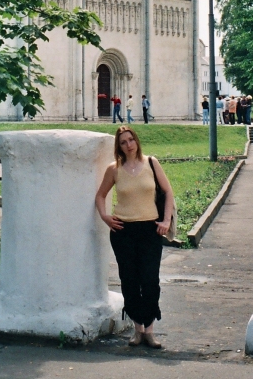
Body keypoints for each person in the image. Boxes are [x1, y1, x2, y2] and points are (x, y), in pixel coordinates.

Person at [95, 126, 174, 348]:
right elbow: (100, 195)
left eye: (131, 139)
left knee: (150, 280)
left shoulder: (151, 163)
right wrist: (105, 217)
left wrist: (166, 221)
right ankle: (138, 330)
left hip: (150, 230)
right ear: (118, 146)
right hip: (123, 232)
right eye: (123, 142)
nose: (129, 144)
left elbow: (167, 191)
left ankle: (150, 330)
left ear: (136, 141)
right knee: (129, 280)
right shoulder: (114, 169)